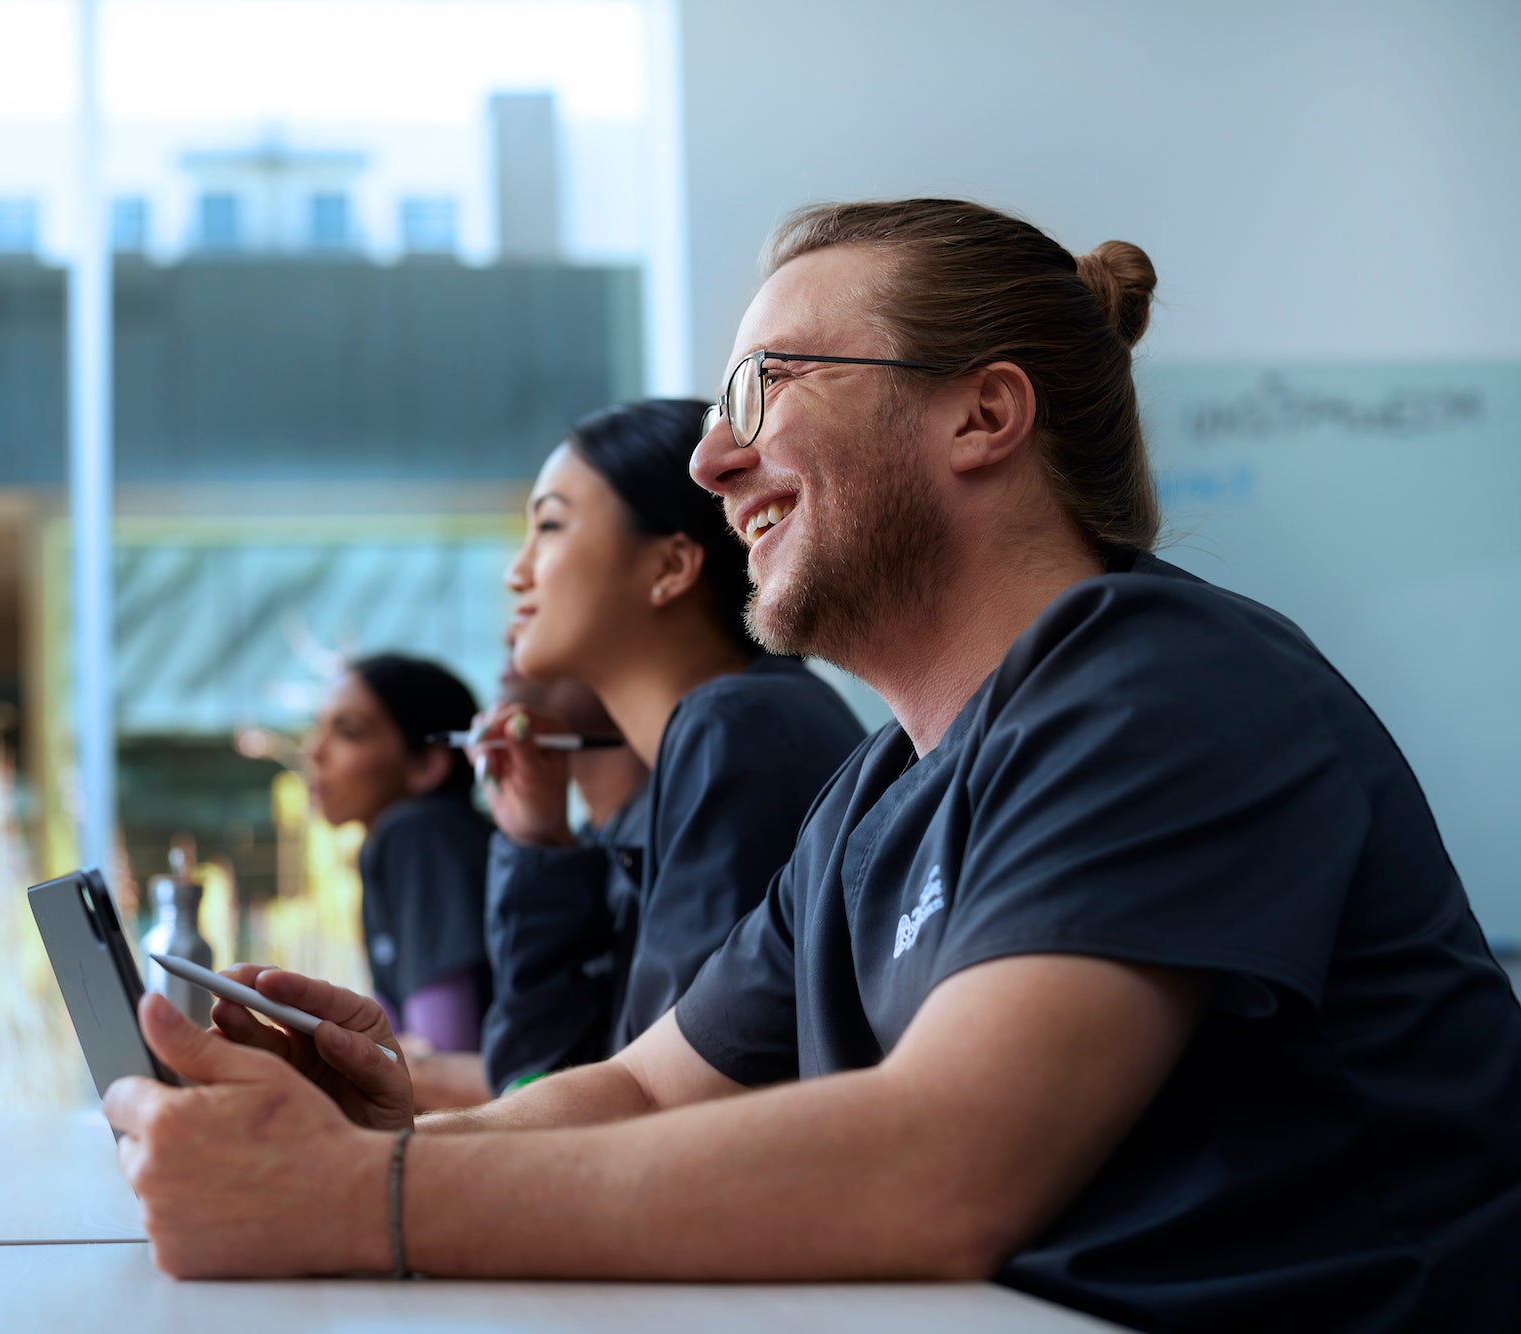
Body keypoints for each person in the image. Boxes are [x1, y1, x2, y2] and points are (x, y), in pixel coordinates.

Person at [104, 200, 1521, 1332]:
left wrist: (366, 1199)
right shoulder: (876, 794)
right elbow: (650, 1088)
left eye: (767, 385)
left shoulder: (1158, 684)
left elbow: (945, 1162)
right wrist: (383, 1118)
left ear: (982, 416)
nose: (716, 459)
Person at [474, 398, 867, 1092]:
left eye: (551, 526)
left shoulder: (738, 727)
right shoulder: (716, 742)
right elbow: (544, 1078)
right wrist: (539, 847)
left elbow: (665, 1101)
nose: (518, 573)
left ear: (670, 567)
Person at [406, 657, 651, 1110]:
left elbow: (594, 1082)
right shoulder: (592, 836)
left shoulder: (694, 795)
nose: (518, 584)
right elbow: (539, 1063)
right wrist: (539, 842)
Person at [304, 653, 490, 1054]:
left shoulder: (419, 833)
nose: (314, 751)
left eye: (348, 732)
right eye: (317, 728)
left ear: (425, 765)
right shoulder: (389, 845)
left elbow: (440, 1048)